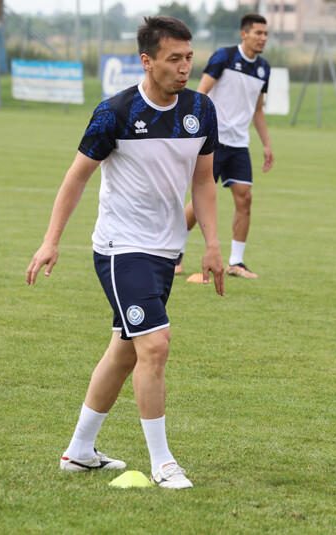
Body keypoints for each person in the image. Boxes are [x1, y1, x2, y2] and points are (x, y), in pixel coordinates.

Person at [26, 16, 224, 490]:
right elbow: (76, 177)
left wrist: (213, 245)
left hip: (164, 251)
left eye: (188, 57)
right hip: (120, 248)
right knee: (154, 345)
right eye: (173, 58)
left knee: (125, 351)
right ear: (147, 61)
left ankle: (78, 451)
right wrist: (51, 240)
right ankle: (163, 463)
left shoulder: (202, 109)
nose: (184, 67)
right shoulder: (114, 112)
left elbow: (202, 181)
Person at [178, 13, 273, 278]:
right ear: (244, 34)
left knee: (245, 198)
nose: (263, 38)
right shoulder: (225, 56)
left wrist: (267, 144)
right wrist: (194, 129)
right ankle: (175, 255)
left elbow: (258, 110)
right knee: (198, 203)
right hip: (214, 141)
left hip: (240, 144)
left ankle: (236, 262)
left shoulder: (264, 68)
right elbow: (202, 93)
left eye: (266, 34)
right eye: (258, 33)